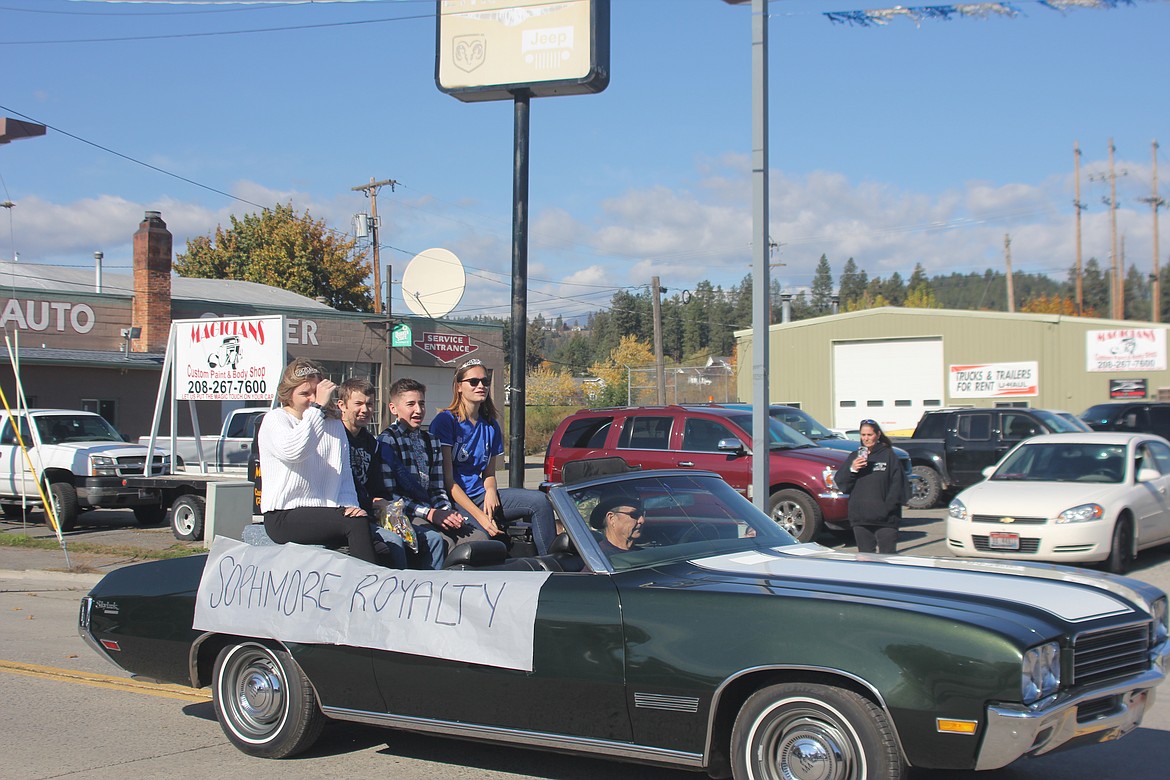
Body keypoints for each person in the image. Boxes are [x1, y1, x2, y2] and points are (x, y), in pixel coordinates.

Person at [430, 358, 557, 555]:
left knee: (540, 502)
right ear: (459, 387)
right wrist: (481, 517)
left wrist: (490, 491)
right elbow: (448, 481)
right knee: (485, 537)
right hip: (456, 501)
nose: (481, 385)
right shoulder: (445, 421)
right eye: (473, 381)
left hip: (482, 495)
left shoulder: (490, 425)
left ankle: (551, 565)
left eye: (485, 381)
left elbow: (489, 474)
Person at [258, 358, 377, 564]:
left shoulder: (332, 423)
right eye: (305, 394)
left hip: (328, 511)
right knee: (355, 526)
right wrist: (317, 408)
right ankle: (368, 588)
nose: (312, 398)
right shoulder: (276, 419)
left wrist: (350, 506)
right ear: (289, 395)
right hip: (284, 513)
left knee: (378, 538)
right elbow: (295, 451)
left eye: (317, 392)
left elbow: (343, 474)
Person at [337, 378, 446, 569]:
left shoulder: (372, 444)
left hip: (378, 511)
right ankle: (398, 595)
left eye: (369, 404)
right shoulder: (335, 438)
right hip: (346, 514)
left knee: (435, 540)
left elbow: (380, 489)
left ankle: (431, 593)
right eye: (358, 404)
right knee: (394, 542)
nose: (365, 409)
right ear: (342, 406)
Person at [376, 377, 488, 561]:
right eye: (410, 404)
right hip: (407, 514)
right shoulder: (387, 442)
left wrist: (447, 512)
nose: (418, 410)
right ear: (393, 408)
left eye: (421, 404)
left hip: (433, 510)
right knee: (443, 543)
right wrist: (430, 514)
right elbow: (391, 496)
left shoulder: (431, 440)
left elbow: (437, 487)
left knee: (480, 539)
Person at [834, 418, 903, 554]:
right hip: (861, 518)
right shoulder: (854, 457)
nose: (866, 438)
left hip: (885, 519)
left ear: (877, 435)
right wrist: (852, 469)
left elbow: (898, 486)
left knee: (887, 558)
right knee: (865, 558)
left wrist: (887, 508)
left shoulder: (889, 456)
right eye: (863, 435)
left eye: (869, 435)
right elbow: (841, 483)